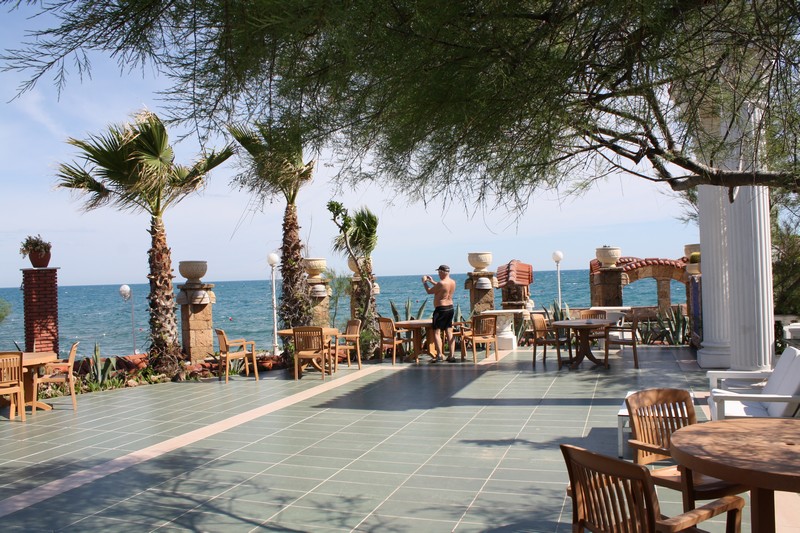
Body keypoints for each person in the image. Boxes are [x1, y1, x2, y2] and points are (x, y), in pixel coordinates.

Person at [422, 265, 457, 362]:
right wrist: (432, 281)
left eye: (439, 272)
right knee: (449, 331)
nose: (438, 274)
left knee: (437, 332)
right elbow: (442, 288)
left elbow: (429, 291)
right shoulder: (452, 282)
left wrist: (424, 282)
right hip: (450, 308)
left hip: (441, 309)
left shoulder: (441, 283)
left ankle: (440, 355)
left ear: (442, 272)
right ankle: (451, 355)